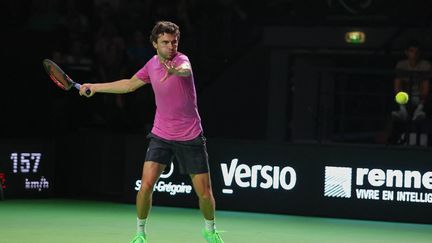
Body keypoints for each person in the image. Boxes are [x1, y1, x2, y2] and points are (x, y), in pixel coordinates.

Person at [79, 21, 224, 243]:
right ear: (155, 43)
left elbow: (185, 71)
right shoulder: (151, 65)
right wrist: (95, 87)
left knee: (205, 193)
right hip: (161, 135)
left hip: (190, 135)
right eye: (165, 42)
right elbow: (128, 85)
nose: (171, 46)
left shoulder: (182, 60)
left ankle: (210, 230)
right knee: (146, 185)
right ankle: (140, 233)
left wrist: (175, 70)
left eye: (174, 42)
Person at [387, 39, 431, 145]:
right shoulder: (401, 65)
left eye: (416, 52)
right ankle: (401, 111)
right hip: (404, 97)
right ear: (406, 52)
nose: (414, 54)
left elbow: (426, 86)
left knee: (422, 119)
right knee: (396, 120)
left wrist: (421, 105)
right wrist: (402, 105)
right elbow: (398, 83)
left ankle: (419, 111)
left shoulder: (426, 65)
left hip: (420, 97)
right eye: (411, 51)